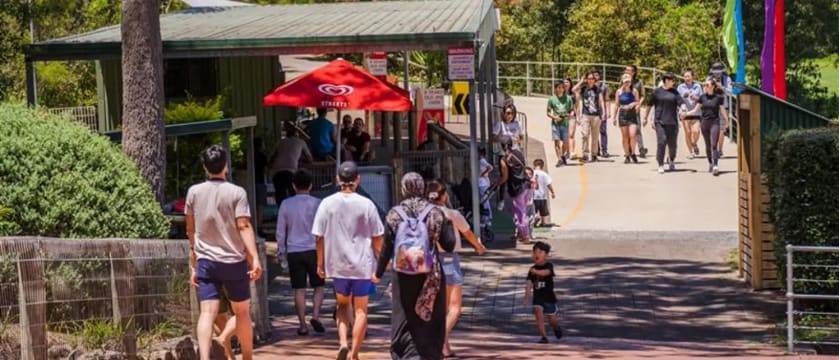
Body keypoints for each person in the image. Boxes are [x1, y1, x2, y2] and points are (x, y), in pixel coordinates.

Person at [186, 145, 262, 360]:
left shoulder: (194, 192)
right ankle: (247, 357)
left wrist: (194, 257)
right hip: (233, 260)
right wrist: (254, 258)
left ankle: (204, 357)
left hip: (206, 260)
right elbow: (243, 225)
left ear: (205, 167)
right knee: (242, 312)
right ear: (226, 165)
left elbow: (190, 228)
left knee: (207, 313)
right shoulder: (237, 192)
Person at [375, 173, 456, 360]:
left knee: (403, 314)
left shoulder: (394, 214)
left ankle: (404, 353)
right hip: (430, 273)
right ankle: (430, 353)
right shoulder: (435, 212)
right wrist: (449, 221)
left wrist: (378, 273)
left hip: (402, 274)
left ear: (403, 189)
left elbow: (387, 248)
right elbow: (449, 245)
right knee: (432, 313)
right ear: (423, 189)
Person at [313, 161, 384, 360]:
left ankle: (343, 342)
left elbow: (319, 237)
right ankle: (354, 353)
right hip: (363, 265)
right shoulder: (367, 204)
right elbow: (378, 237)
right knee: (361, 310)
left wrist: (320, 263)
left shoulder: (327, 203)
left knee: (342, 305)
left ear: (338, 179)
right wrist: (381, 260)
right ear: (357, 179)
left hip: (337, 265)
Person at [426, 180, 486, 358]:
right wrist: (479, 247)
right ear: (444, 195)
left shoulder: (424, 214)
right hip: (449, 260)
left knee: (440, 308)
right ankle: (438, 338)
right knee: (455, 308)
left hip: (429, 261)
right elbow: (467, 233)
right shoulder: (452, 214)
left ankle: (444, 346)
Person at [276, 169, 325, 336]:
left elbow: (280, 231)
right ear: (310, 185)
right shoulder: (318, 203)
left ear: (293, 186)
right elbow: (323, 230)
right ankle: (316, 316)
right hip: (314, 249)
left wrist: (281, 252)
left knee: (299, 289)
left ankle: (302, 325)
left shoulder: (286, 204)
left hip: (294, 251)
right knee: (319, 286)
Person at [643, 73, 686, 174]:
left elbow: (681, 102)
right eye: (672, 80)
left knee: (672, 145)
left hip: (672, 122)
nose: (673, 82)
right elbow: (649, 105)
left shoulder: (675, 92)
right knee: (661, 142)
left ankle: (671, 159)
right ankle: (660, 164)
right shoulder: (657, 92)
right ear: (666, 80)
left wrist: (683, 110)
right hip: (660, 121)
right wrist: (645, 118)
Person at [522, 241, 562, 344]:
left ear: (546, 255)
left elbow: (546, 273)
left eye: (540, 252)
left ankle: (556, 327)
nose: (537, 254)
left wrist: (536, 271)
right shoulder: (532, 270)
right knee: (538, 313)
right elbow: (529, 284)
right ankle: (544, 336)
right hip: (538, 298)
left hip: (549, 298)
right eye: (535, 252)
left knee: (552, 320)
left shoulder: (549, 265)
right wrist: (526, 298)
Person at [495, 136, 531, 244]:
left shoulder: (504, 159)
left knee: (519, 213)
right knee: (523, 211)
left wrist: (497, 183)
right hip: (527, 185)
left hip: (517, 188)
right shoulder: (519, 153)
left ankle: (525, 236)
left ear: (502, 146)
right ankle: (520, 234)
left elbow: (505, 177)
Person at [269, 123, 313, 205]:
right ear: (296, 134)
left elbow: (273, 156)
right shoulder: (301, 142)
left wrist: (269, 167)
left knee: (280, 196)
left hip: (277, 171)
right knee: (294, 195)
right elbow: (310, 159)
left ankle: (281, 210)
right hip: (291, 170)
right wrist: (300, 159)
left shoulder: (280, 142)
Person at [693, 78, 729, 176]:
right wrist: (685, 114)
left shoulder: (718, 98)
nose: (705, 87)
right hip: (704, 123)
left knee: (714, 144)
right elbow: (695, 110)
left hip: (715, 122)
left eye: (707, 85)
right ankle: (710, 162)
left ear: (713, 86)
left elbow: (722, 110)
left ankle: (715, 165)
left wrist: (727, 121)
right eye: (704, 85)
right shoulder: (702, 97)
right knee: (708, 145)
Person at [573, 72, 606, 162]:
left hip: (596, 115)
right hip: (586, 115)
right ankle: (585, 154)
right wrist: (581, 81)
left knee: (595, 136)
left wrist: (603, 112)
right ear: (587, 79)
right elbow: (573, 89)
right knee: (585, 134)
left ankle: (594, 154)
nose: (591, 80)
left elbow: (601, 100)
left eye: (592, 78)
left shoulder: (598, 89)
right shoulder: (584, 88)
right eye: (589, 78)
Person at [611, 74, 641, 164]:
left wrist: (634, 104)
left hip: (632, 114)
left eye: (628, 81)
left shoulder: (634, 91)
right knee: (625, 137)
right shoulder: (619, 92)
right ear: (622, 82)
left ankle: (633, 153)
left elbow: (638, 102)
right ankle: (627, 154)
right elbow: (616, 104)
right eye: (625, 82)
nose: (627, 83)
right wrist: (614, 117)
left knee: (633, 135)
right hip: (623, 114)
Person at [709, 62, 733, 157]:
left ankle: (720, 149)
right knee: (712, 128)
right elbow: (705, 92)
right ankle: (714, 148)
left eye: (719, 72)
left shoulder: (727, 79)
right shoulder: (709, 79)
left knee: (721, 129)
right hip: (711, 106)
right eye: (715, 72)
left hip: (723, 105)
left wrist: (721, 87)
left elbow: (730, 92)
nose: (717, 74)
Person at [547, 82, 574, 167]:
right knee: (556, 141)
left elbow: (572, 110)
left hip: (565, 123)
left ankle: (562, 155)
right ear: (555, 88)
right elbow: (548, 112)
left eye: (562, 87)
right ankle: (559, 159)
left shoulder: (568, 98)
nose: (560, 89)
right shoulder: (552, 99)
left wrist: (570, 115)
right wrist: (554, 117)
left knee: (565, 142)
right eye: (558, 87)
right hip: (555, 124)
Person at [677, 69, 703, 158]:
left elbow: (702, 99)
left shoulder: (698, 86)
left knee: (696, 131)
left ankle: (694, 144)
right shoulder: (680, 87)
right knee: (688, 132)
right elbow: (677, 99)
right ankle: (691, 152)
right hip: (685, 112)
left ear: (692, 77)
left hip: (696, 112)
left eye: (688, 76)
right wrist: (684, 95)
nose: (687, 78)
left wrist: (694, 97)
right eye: (685, 76)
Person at [625, 65, 648, 158]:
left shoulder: (638, 82)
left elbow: (643, 95)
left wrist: (639, 104)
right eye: (626, 70)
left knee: (637, 129)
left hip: (635, 109)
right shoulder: (623, 81)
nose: (626, 71)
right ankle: (629, 149)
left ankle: (641, 148)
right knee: (627, 130)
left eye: (628, 70)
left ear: (633, 72)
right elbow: (619, 93)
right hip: (625, 109)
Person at [531, 159, 555, 227]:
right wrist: (552, 192)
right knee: (543, 210)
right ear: (542, 166)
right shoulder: (544, 174)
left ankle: (535, 218)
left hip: (533, 195)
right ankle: (543, 222)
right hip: (542, 195)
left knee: (534, 209)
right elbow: (549, 184)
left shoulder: (531, 173)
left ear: (534, 165)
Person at [593, 70, 611, 158]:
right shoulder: (590, 86)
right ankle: (597, 149)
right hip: (593, 112)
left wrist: (608, 111)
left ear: (599, 76)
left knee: (603, 131)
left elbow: (607, 99)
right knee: (595, 132)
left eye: (597, 75)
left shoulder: (604, 87)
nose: (595, 77)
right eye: (593, 75)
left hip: (602, 111)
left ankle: (604, 150)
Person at [563, 78, 579, 160]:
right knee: (565, 135)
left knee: (571, 134)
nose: (566, 84)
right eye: (564, 82)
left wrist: (578, 117)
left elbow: (577, 106)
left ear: (570, 83)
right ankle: (566, 151)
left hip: (572, 116)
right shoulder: (560, 93)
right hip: (563, 116)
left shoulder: (574, 94)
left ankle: (572, 152)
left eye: (567, 82)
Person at [478, 146, 494, 228]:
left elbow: (490, 167)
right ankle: (486, 218)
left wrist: (483, 174)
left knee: (484, 201)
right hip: (482, 183)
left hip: (483, 183)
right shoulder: (481, 161)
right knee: (484, 200)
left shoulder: (482, 160)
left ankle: (487, 218)